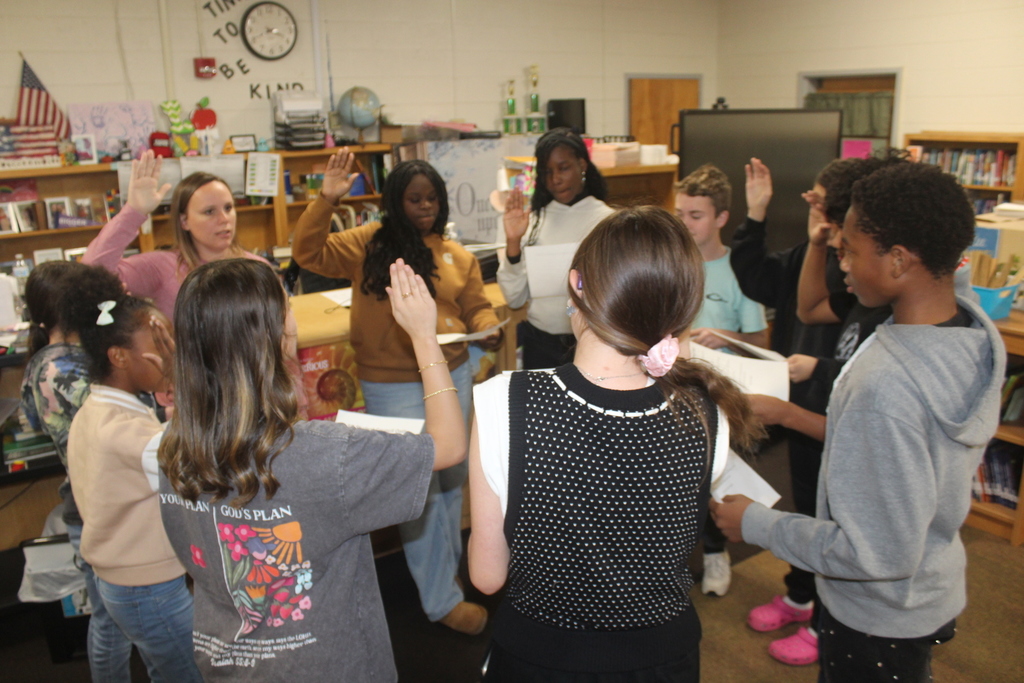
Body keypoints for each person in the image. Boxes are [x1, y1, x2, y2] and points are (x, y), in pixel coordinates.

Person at [712, 162, 1004, 683]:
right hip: (926, 592)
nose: (839, 262)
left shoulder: (886, 384)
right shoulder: (967, 326)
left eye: (848, 248)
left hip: (875, 618)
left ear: (897, 260)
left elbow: (875, 552)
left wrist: (756, 523)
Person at [468, 206, 764, 682]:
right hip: (663, 657)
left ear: (576, 285)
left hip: (543, 657)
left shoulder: (505, 400)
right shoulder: (707, 411)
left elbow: (487, 577)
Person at [158, 258, 467, 681]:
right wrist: (424, 338)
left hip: (227, 665)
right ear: (278, 336)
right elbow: (448, 445)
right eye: (287, 307)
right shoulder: (325, 456)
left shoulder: (173, 449)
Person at [292, 151, 501, 634]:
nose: (424, 207)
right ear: (394, 201)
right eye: (414, 199)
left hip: (450, 377)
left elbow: (477, 308)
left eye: (432, 198)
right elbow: (307, 252)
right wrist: (327, 198)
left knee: (450, 489)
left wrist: (487, 327)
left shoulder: (457, 254)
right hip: (391, 385)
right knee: (419, 494)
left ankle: (446, 578)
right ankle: (440, 600)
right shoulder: (369, 242)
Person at [65, 269, 202, 682]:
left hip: (128, 582)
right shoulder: (127, 433)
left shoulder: (99, 410)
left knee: (168, 669)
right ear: (119, 356)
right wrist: (186, 382)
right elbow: (196, 460)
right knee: (188, 673)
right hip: (150, 588)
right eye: (160, 345)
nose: (170, 352)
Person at [20, 261, 133, 681]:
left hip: (98, 494)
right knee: (110, 618)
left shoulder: (59, 358)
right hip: (93, 499)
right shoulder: (59, 367)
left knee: (114, 615)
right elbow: (109, 415)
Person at [673, 162, 768, 597]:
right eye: (680, 214)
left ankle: (716, 554)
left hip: (722, 393)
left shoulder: (739, 272)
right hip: (674, 386)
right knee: (674, 481)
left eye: (695, 216)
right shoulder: (674, 264)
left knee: (713, 482)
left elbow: (762, 339)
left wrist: (724, 336)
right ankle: (671, 560)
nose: (685, 223)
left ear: (721, 219)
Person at [83, 149, 268, 319]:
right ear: (184, 221)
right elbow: (91, 274)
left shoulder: (258, 268)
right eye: (209, 212)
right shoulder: (162, 267)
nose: (224, 219)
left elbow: (283, 334)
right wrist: (133, 212)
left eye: (228, 208)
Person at [497, 127, 614, 369]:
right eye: (547, 172)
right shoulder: (530, 220)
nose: (555, 179)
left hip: (595, 343)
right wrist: (513, 242)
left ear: (582, 165)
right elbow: (514, 298)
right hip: (540, 344)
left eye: (563, 168)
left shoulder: (608, 221)